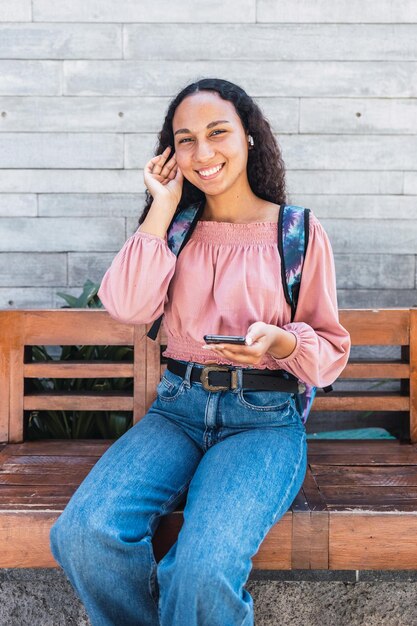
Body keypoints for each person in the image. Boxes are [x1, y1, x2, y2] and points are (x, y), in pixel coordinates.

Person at [49, 77, 351, 626]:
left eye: (218, 132)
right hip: (177, 411)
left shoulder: (297, 230)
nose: (202, 152)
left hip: (261, 423)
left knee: (202, 566)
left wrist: (283, 345)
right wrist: (162, 207)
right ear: (171, 151)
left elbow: (329, 348)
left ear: (250, 137)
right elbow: (126, 305)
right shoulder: (176, 228)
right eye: (185, 139)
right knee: (83, 533)